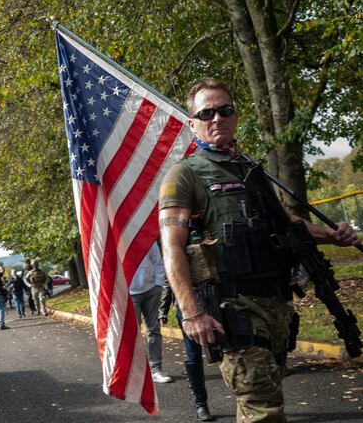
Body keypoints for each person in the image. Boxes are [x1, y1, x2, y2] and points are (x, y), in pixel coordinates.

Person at [158, 78, 361, 423]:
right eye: (207, 113)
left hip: (277, 304)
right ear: (193, 123)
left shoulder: (251, 170)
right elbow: (172, 246)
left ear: (236, 116)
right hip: (233, 306)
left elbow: (288, 222)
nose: (217, 118)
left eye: (225, 110)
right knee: (262, 408)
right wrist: (191, 312)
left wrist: (331, 235)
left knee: (268, 395)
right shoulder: (184, 174)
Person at [160, 277, 214, 421]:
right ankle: (201, 404)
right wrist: (163, 309)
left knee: (229, 352)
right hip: (187, 309)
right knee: (194, 355)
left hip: (216, 301)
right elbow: (169, 279)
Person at [130, 242, 173, 384]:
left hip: (151, 290)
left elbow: (158, 262)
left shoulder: (146, 236)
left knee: (154, 330)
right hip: (130, 293)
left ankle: (156, 370)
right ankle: (137, 372)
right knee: (132, 334)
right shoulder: (120, 235)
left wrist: (158, 284)